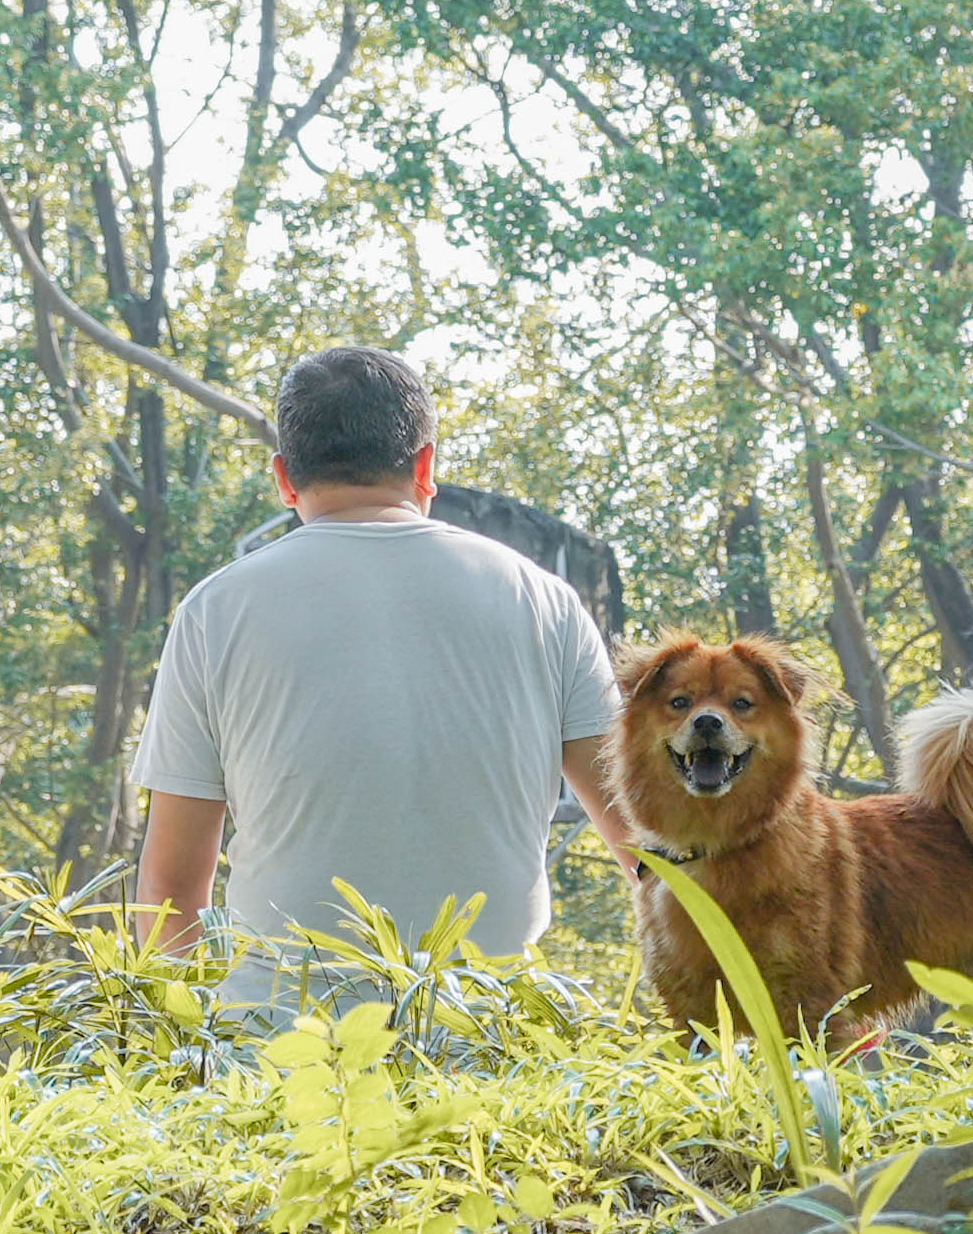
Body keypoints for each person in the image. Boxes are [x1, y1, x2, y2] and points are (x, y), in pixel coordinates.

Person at [130, 346, 632, 1005]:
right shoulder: (545, 601)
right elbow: (649, 845)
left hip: (281, 1053)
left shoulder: (215, 610)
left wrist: (184, 1067)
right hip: (490, 1041)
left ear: (284, 478)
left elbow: (170, 895)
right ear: (426, 466)